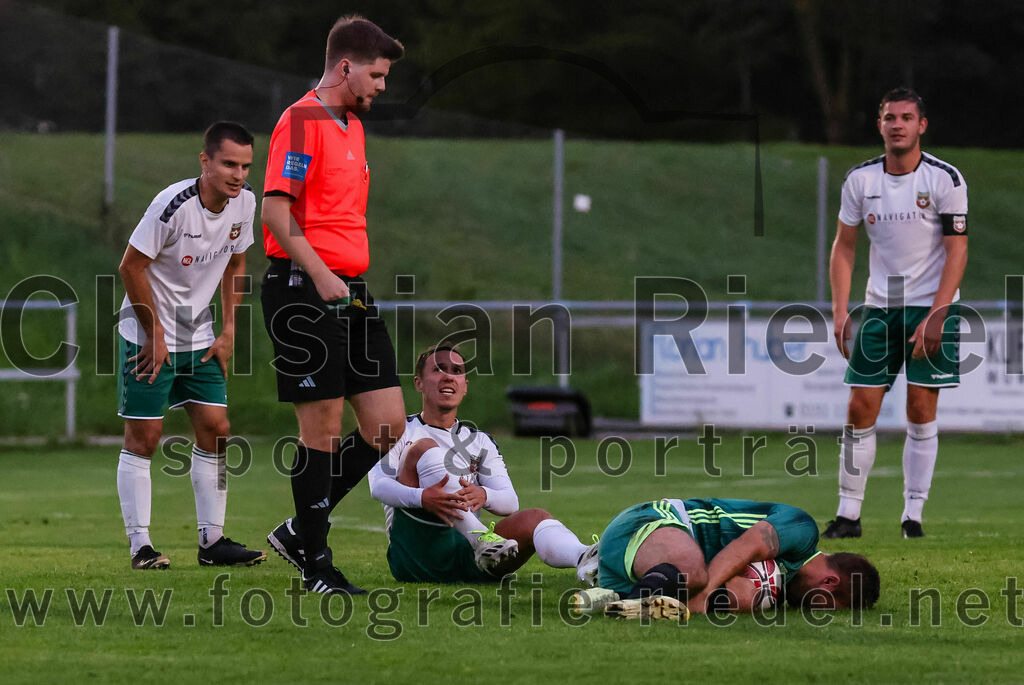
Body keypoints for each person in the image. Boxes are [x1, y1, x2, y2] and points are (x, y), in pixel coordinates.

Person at [261, 16, 407, 595]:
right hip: (304, 288)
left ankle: (300, 529)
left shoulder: (351, 125)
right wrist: (320, 274)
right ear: (345, 66)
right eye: (376, 74)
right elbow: (274, 212)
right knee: (320, 429)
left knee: (388, 423)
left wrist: (338, 278)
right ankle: (316, 565)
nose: (381, 85)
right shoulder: (300, 122)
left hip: (348, 289)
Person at [269, 343, 599, 584]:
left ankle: (585, 559)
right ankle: (480, 538)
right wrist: (423, 497)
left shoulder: (480, 440)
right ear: (418, 383)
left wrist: (483, 495)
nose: (449, 377)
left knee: (535, 517)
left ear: (465, 386)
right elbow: (379, 488)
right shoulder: (395, 429)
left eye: (457, 371)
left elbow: (509, 502)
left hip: (474, 559)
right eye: (438, 369)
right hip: (415, 555)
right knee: (422, 447)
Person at [116, 121, 265, 570]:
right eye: (228, 164)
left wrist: (229, 330)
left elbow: (236, 262)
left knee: (217, 429)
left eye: (245, 166)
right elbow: (130, 267)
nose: (238, 174)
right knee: (146, 438)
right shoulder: (172, 205)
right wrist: (156, 335)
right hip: (146, 336)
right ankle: (140, 546)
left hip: (200, 338)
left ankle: (212, 541)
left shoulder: (245, 204)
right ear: (205, 162)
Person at [825, 87, 968, 540]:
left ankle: (913, 516)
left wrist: (939, 313)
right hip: (880, 309)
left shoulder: (945, 179)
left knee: (920, 407)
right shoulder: (860, 181)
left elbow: (957, 249)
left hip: (930, 305)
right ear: (880, 124)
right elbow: (844, 247)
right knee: (859, 406)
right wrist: (841, 308)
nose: (898, 124)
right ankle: (848, 515)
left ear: (921, 125)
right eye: (890, 117)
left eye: (907, 117)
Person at [572, 497, 880, 620]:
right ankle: (637, 602)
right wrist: (704, 596)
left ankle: (615, 596)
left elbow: (735, 583)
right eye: (826, 605)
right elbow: (747, 546)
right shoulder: (803, 530)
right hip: (653, 522)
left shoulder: (780, 584)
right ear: (829, 582)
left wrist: (741, 597)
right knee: (696, 573)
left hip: (638, 568)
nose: (813, 610)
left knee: (747, 595)